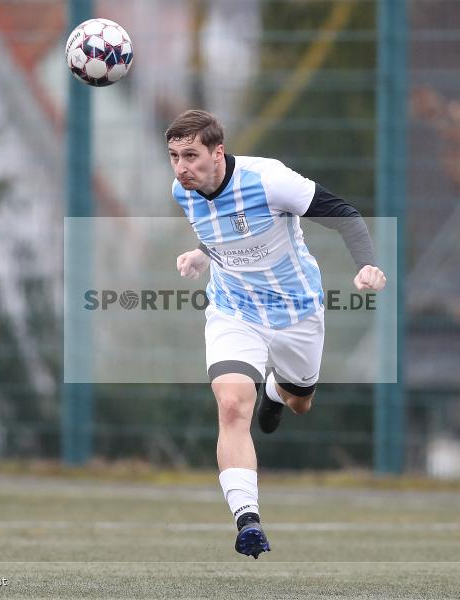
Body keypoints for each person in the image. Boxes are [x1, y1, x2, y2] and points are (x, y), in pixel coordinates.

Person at [165, 110, 386, 559]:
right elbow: (223, 230)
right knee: (230, 404)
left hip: (297, 314)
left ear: (218, 152)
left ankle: (277, 389)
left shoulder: (269, 179)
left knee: (300, 402)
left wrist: (365, 263)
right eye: (173, 156)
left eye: (191, 155)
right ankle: (247, 519)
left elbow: (343, 212)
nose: (181, 167)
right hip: (234, 312)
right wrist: (201, 255)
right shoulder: (183, 192)